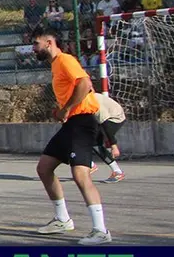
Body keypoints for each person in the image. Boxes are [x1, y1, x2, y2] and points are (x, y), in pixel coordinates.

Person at [30, 29, 112, 245]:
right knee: (44, 168)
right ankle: (62, 219)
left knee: (80, 175)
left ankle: (101, 230)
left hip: (82, 122)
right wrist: (63, 111)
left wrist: (66, 109)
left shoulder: (65, 60)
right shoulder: (55, 65)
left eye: (36, 43)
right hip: (72, 124)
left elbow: (84, 84)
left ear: (49, 43)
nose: (33, 48)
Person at [93, 94, 127, 184]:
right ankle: (90, 165)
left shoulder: (94, 103)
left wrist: (113, 145)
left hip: (115, 118)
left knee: (95, 143)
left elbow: (105, 125)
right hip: (101, 120)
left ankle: (117, 172)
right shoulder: (79, 99)